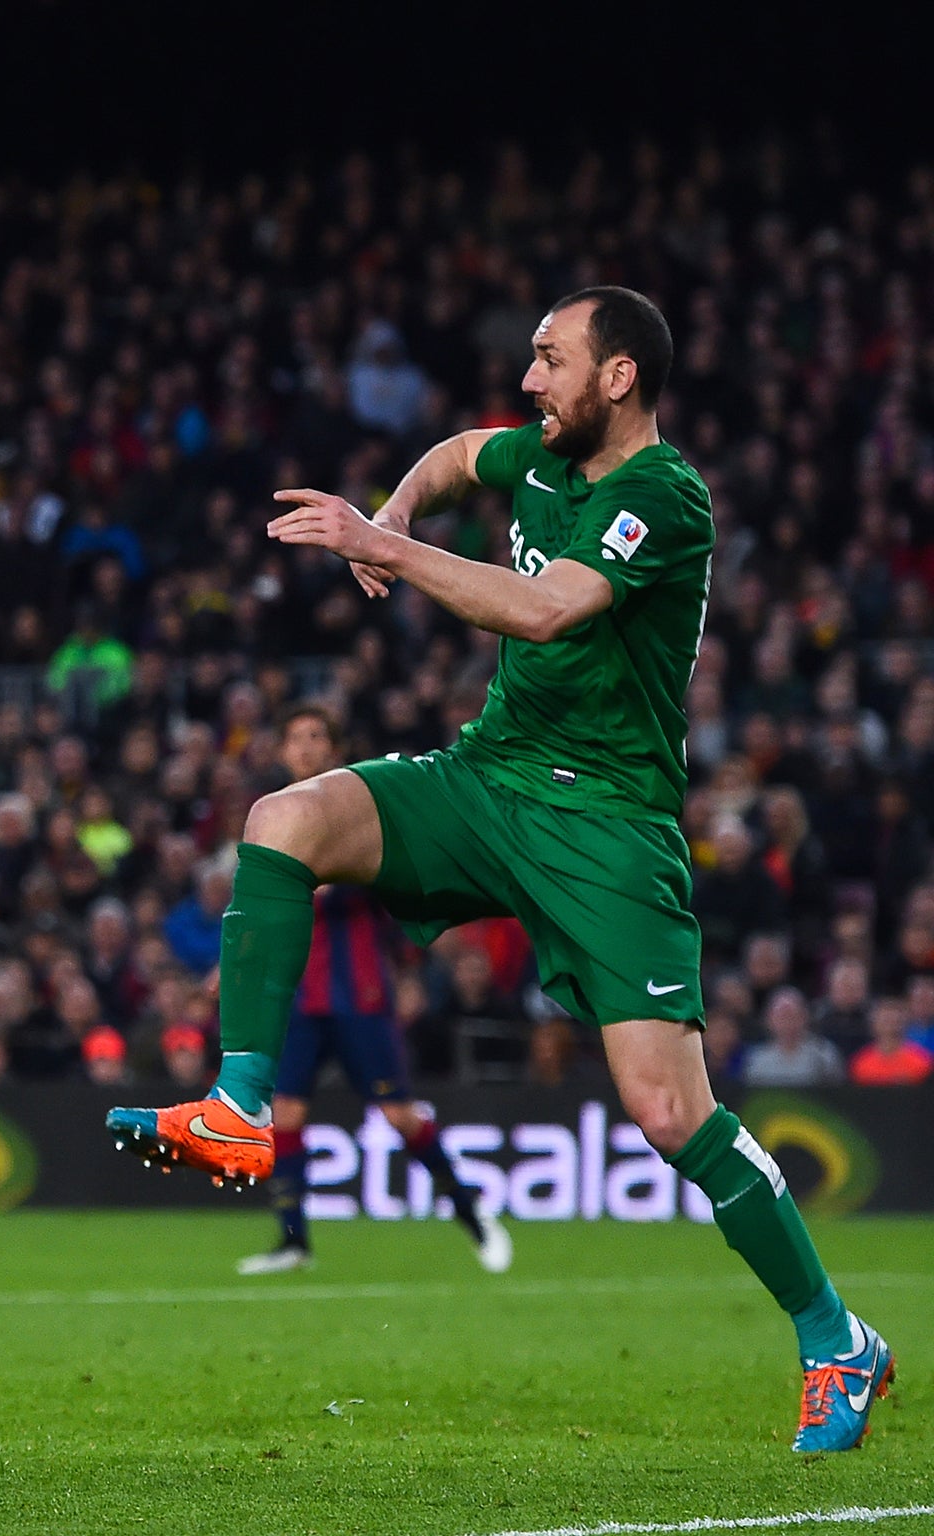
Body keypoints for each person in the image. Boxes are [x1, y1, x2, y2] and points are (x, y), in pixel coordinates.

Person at [107, 288, 891, 1452]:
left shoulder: (659, 496)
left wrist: (379, 542)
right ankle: (235, 1107)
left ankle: (836, 1339)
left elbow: (539, 611)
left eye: (548, 359)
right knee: (281, 820)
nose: (527, 381)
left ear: (617, 377)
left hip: (605, 827)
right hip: (487, 779)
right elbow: (457, 450)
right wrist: (398, 499)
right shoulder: (537, 450)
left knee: (668, 1112)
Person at [237, 705, 510, 1277]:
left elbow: (390, 885)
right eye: (295, 738)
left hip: (360, 996)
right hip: (299, 1001)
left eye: (317, 737)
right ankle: (293, 1243)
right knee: (283, 1114)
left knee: (398, 1115)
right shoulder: (269, 817)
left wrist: (408, 969)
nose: (306, 747)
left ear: (333, 750)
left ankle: (473, 1215)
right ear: (283, 751)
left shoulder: (353, 808)